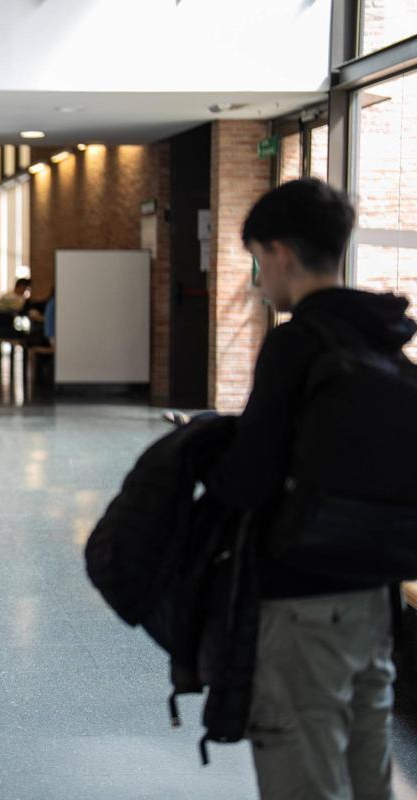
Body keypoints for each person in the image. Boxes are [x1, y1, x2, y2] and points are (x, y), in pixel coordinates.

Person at [205, 178, 416, 799]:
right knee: (367, 760)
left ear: (280, 254)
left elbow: (249, 479)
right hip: (375, 593)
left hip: (301, 597)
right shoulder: (383, 336)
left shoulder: (296, 343)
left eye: (256, 259)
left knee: (302, 760)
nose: (257, 277)